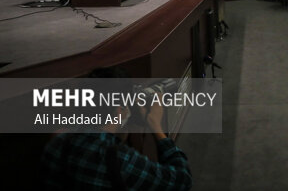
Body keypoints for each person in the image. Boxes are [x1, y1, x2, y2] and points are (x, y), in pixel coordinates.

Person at [39, 68, 192, 190]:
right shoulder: (121, 161)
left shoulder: (58, 142)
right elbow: (182, 180)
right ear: (120, 110)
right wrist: (156, 127)